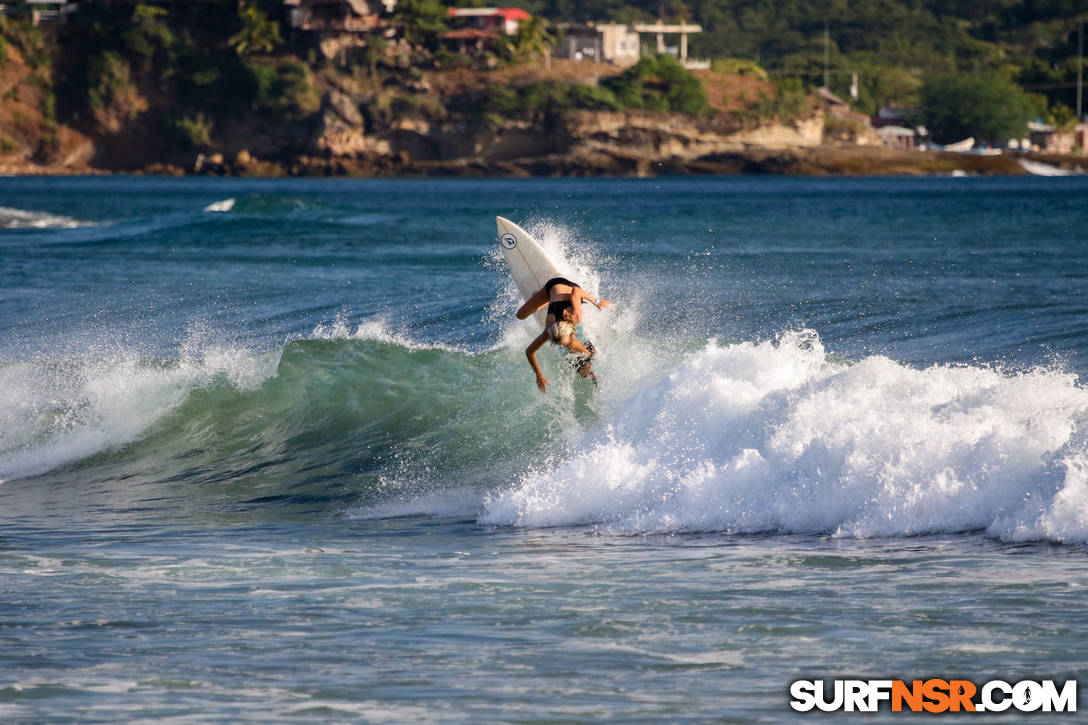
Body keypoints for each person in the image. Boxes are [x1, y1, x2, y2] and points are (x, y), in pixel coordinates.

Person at [517, 276, 612, 393]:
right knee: (520, 315)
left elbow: (576, 292)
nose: (561, 346)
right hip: (553, 287)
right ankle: (547, 300)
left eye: (561, 343)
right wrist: (539, 374)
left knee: (584, 353)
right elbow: (529, 351)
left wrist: (596, 302)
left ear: (570, 331)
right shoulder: (550, 331)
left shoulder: (575, 317)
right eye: (559, 343)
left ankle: (546, 300)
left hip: (565, 290)